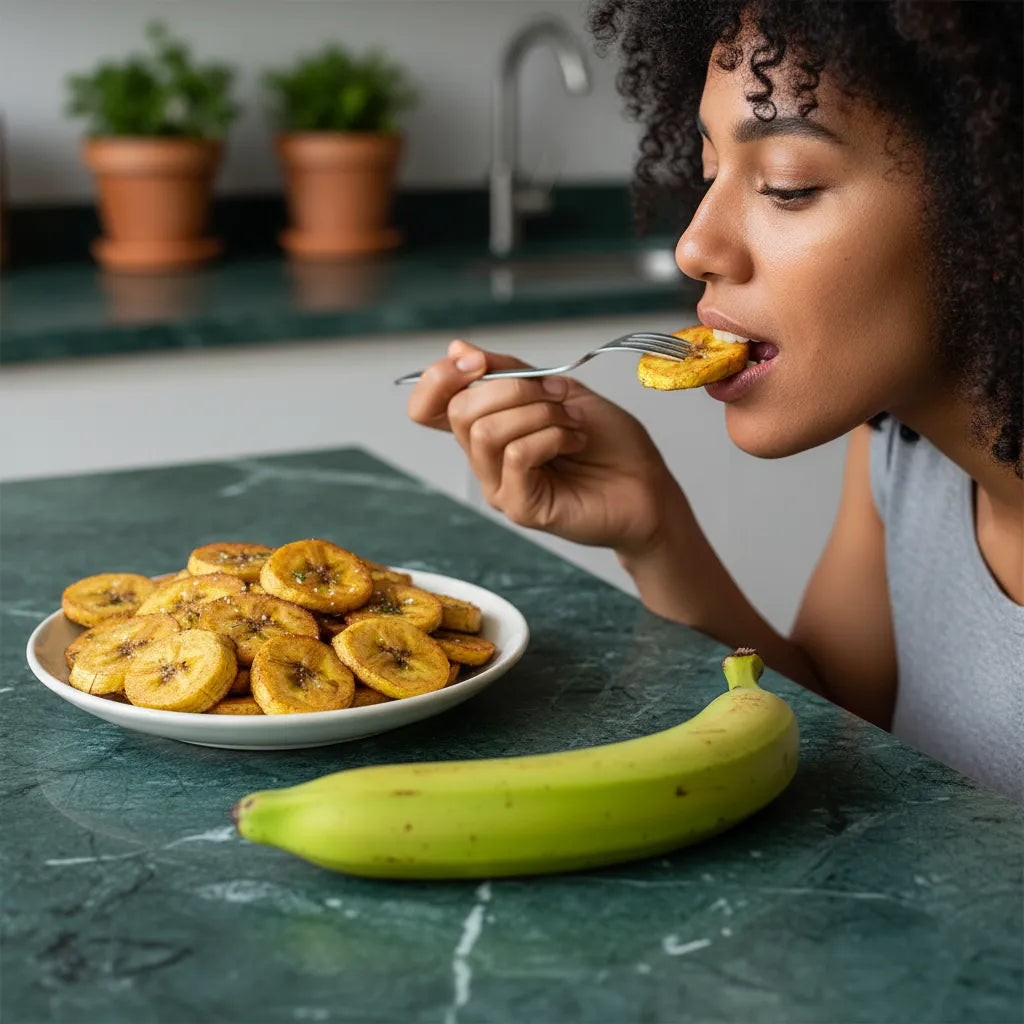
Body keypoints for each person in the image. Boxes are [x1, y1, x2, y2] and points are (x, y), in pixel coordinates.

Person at [406, 1, 1022, 802]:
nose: (695, 246)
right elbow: (844, 728)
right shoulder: (901, 453)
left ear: (996, 200)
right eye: (708, 170)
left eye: (786, 185)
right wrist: (655, 529)